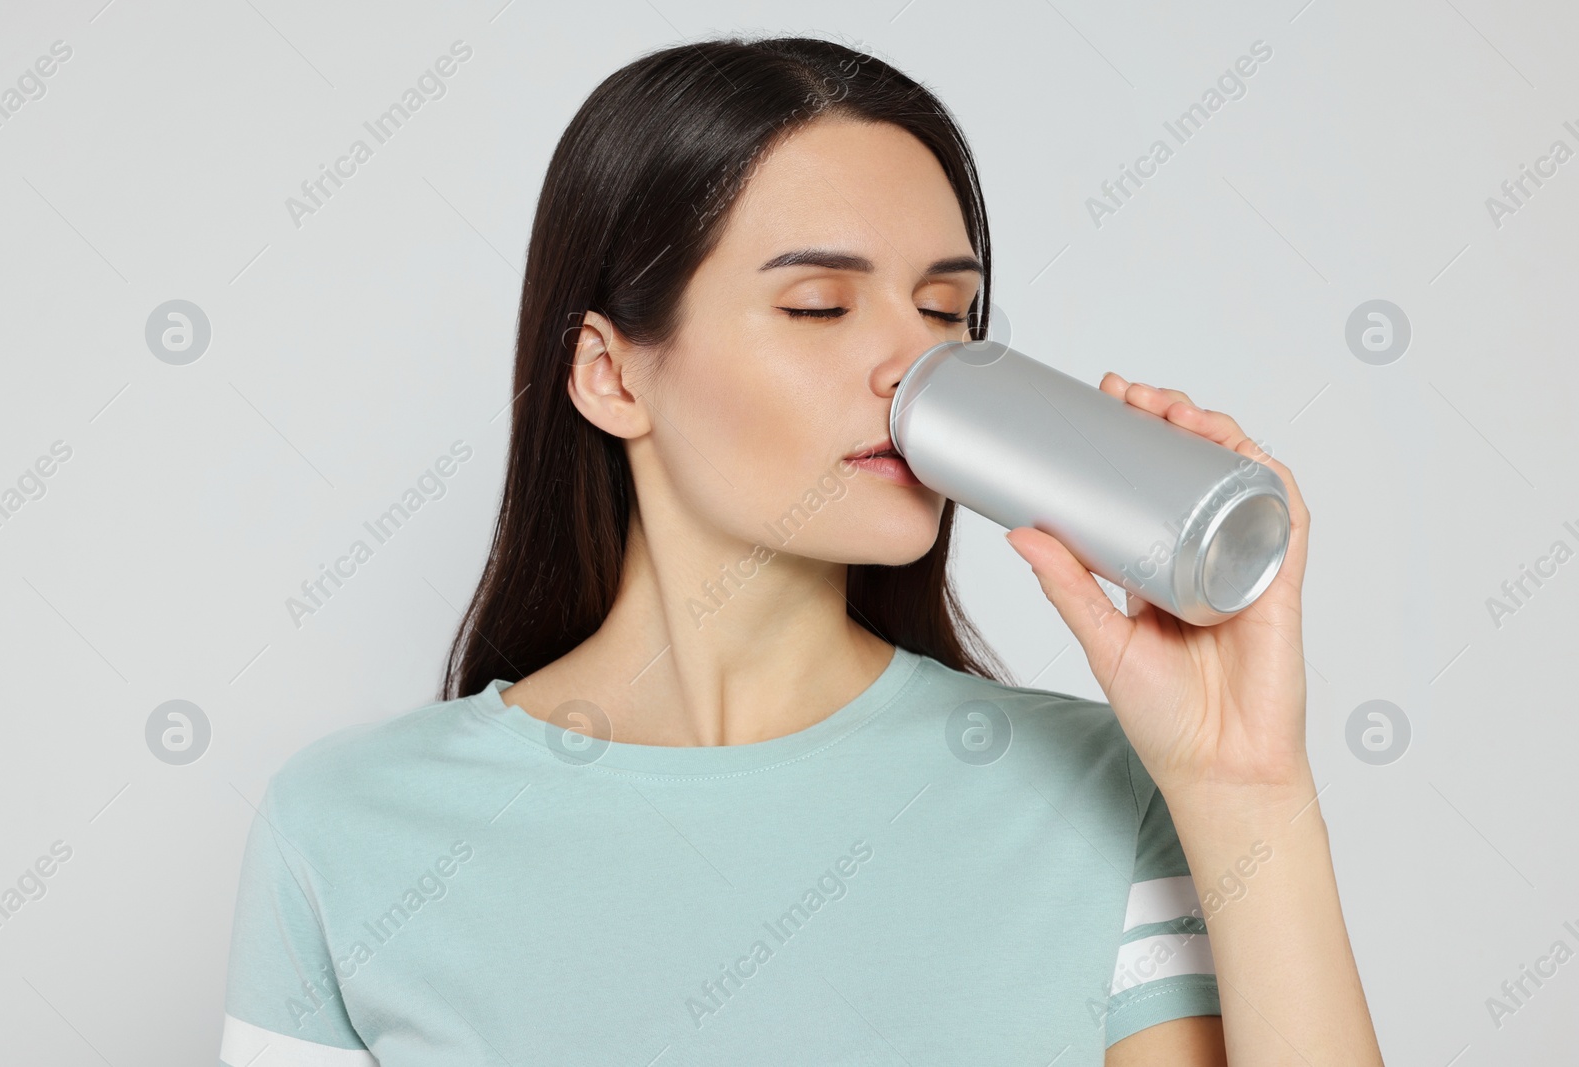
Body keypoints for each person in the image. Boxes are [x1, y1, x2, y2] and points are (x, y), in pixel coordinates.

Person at [218, 35, 1383, 1066]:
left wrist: (1247, 788)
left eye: (945, 311)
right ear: (611, 372)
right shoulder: (350, 826)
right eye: (820, 305)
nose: (909, 366)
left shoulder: (1098, 791)